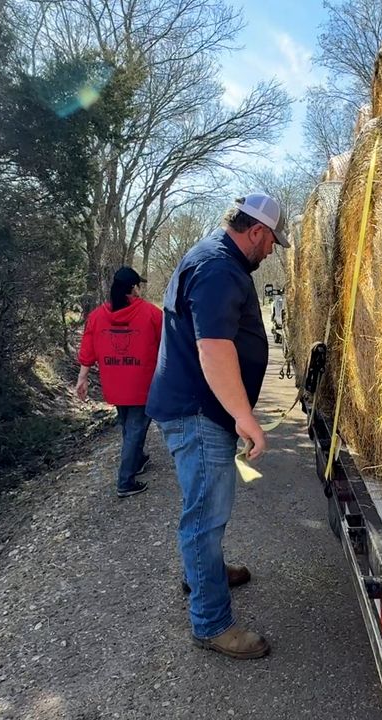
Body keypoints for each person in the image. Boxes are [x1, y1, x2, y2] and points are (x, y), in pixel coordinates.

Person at [147, 193, 288, 660]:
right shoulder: (218, 268)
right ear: (257, 232)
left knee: (203, 507)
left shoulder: (212, 256)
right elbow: (214, 348)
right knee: (205, 517)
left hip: (198, 409)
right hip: (199, 412)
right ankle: (211, 622)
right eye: (271, 243)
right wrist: (245, 417)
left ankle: (203, 572)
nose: (271, 252)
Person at [76, 266, 163, 498]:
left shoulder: (97, 316)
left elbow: (88, 348)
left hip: (114, 383)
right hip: (141, 384)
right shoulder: (152, 314)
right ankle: (126, 480)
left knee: (127, 424)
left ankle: (138, 458)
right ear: (133, 289)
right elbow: (167, 345)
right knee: (135, 428)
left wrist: (82, 377)